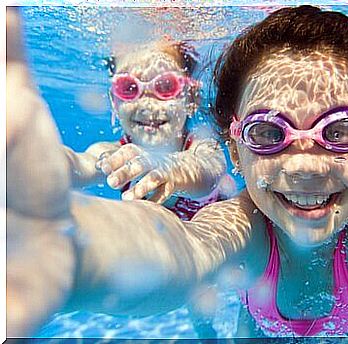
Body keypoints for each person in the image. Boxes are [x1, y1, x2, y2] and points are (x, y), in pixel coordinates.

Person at [6, 6, 348, 339]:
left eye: (340, 130)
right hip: (261, 319)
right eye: (268, 134)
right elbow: (184, 248)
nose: (304, 165)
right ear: (236, 151)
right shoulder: (243, 226)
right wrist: (63, 243)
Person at [64, 37, 229, 219]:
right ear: (114, 101)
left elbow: (208, 172)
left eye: (166, 86)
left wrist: (167, 166)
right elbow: (81, 163)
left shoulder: (202, 147)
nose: (147, 105)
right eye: (128, 87)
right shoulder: (115, 155)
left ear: (192, 98)